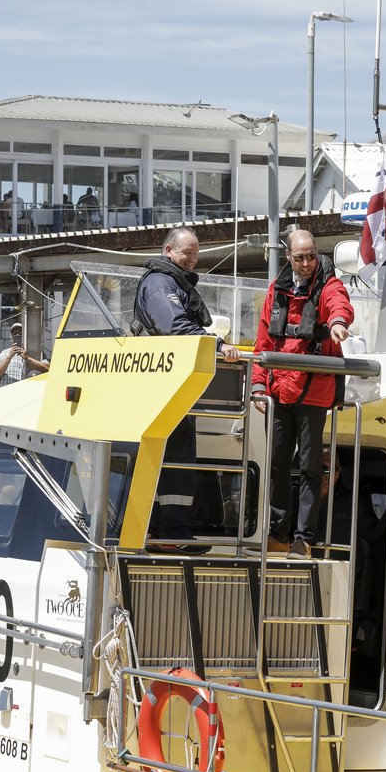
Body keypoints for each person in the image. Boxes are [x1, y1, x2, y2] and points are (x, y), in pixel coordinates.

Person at [132, 226, 240, 554]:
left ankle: (170, 529)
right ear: (168, 251)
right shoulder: (161, 283)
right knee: (175, 458)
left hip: (171, 385)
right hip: (159, 385)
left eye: (195, 254)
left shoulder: (171, 281)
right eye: (186, 253)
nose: (192, 259)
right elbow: (175, 326)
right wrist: (217, 343)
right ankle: (170, 532)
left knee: (176, 458)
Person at [250, 229, 353, 558]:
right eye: (300, 257)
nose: (307, 263)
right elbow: (264, 341)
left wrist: (337, 323)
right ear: (288, 258)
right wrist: (257, 384)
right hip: (279, 389)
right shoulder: (276, 290)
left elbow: (339, 305)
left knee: (310, 466)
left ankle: (303, 539)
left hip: (313, 391)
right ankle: (278, 532)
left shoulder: (328, 285)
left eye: (311, 256)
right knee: (278, 463)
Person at [0, 322, 49, 386]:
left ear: (25, 336)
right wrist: (9, 356)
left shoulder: (35, 352)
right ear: (11, 337)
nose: (17, 335)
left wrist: (28, 358)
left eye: (20, 333)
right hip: (8, 392)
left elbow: (47, 369)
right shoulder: (4, 353)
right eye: (14, 334)